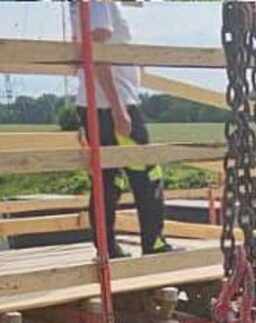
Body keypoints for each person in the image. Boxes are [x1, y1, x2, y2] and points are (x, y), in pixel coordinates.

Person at [70, 0, 170, 258]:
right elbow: (99, 50)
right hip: (113, 104)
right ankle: (154, 243)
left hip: (95, 103)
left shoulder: (80, 5)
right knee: (146, 173)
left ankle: (106, 248)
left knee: (107, 177)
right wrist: (117, 108)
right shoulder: (99, 3)